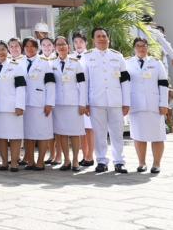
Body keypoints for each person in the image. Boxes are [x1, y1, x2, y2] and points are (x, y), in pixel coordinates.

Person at [83, 27, 131, 173]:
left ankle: (119, 161)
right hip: (96, 101)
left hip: (115, 101)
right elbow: (84, 81)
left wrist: (126, 102)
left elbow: (125, 81)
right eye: (98, 36)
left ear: (108, 39)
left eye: (104, 36)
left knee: (117, 133)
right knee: (99, 133)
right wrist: (84, 102)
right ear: (93, 40)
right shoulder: (86, 56)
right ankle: (102, 161)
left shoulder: (118, 56)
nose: (102, 39)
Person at [127, 38, 169, 174]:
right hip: (136, 105)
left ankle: (156, 164)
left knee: (157, 135)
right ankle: (141, 163)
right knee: (139, 135)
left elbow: (163, 84)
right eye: (138, 46)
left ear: (147, 48)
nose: (141, 48)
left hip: (154, 105)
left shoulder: (156, 63)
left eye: (144, 46)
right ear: (134, 48)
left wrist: (164, 103)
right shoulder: (128, 64)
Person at [52, 36, 88, 171]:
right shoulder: (51, 64)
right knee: (61, 133)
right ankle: (66, 160)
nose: (61, 47)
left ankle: (75, 160)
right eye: (58, 45)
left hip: (74, 103)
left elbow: (82, 84)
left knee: (75, 132)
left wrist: (82, 103)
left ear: (68, 46)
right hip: (58, 104)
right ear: (55, 48)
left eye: (64, 44)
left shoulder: (75, 63)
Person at [0, 40, 25, 172]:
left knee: (15, 136)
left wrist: (20, 105)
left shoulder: (16, 66)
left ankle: (14, 162)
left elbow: (21, 88)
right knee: (1, 136)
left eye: (3, 49)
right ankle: (4, 162)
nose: (1, 52)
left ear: (8, 51)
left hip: (12, 108)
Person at [20, 37, 55, 170]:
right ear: (23, 48)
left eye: (33, 46)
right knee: (28, 133)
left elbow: (50, 83)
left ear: (37, 48)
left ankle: (40, 161)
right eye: (27, 46)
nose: (30, 48)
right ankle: (30, 161)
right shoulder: (19, 62)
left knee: (42, 133)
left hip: (41, 103)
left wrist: (49, 103)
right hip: (24, 103)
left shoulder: (44, 62)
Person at [72, 32, 95, 167]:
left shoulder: (90, 57)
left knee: (89, 129)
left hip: (87, 97)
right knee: (81, 129)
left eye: (81, 42)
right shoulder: (71, 57)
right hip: (76, 98)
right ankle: (84, 154)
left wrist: (87, 101)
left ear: (86, 43)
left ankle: (90, 155)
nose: (78, 44)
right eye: (76, 42)